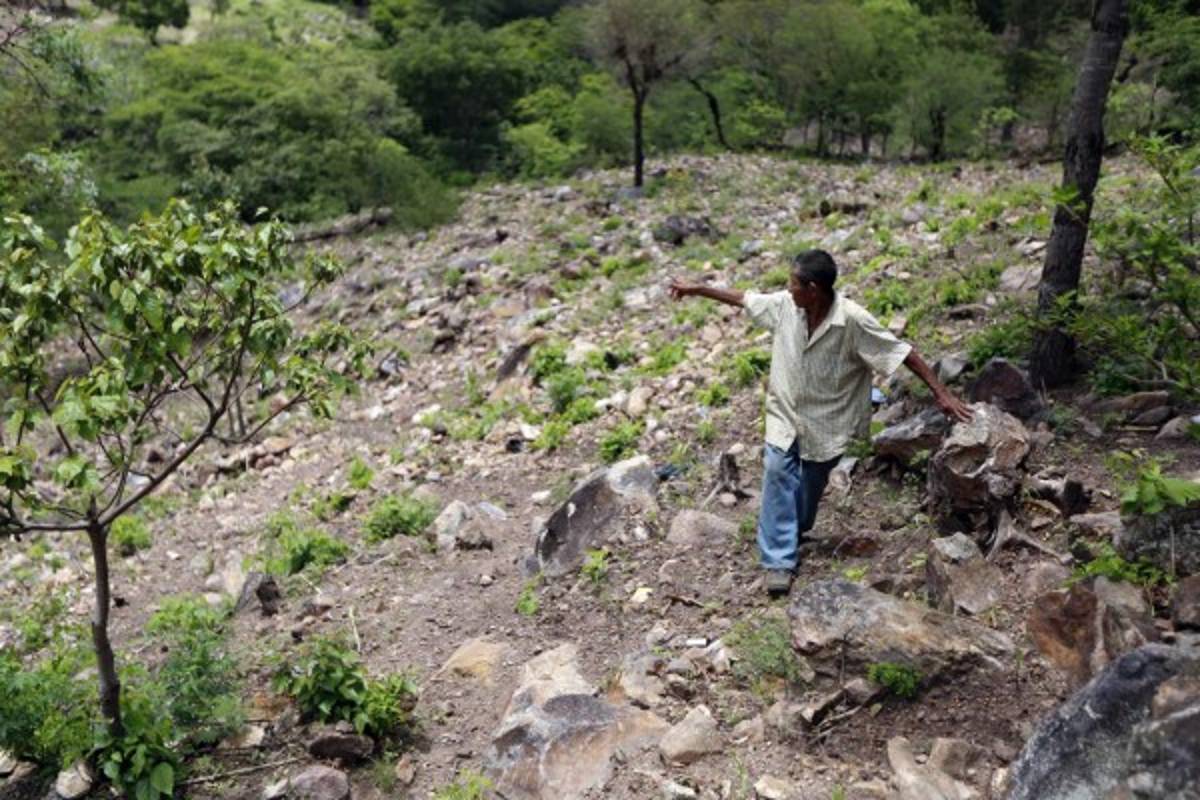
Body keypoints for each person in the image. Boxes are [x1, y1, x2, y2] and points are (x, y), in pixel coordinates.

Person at [668, 249, 973, 596]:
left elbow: (901, 353)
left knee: (810, 486)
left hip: (828, 421)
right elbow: (743, 299)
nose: (788, 289)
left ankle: (794, 529)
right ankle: (779, 562)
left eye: (793, 283)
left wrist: (942, 394)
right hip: (785, 414)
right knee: (777, 472)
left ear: (813, 289)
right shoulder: (786, 306)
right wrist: (698, 289)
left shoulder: (852, 320)